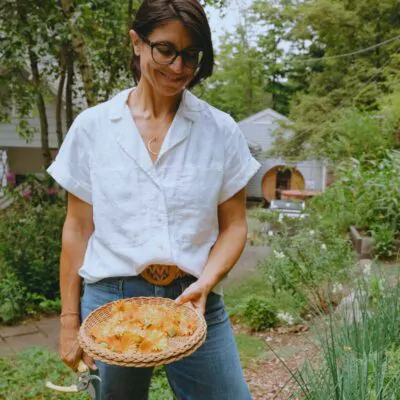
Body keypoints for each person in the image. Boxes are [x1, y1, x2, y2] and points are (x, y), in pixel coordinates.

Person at [47, 0, 260, 399]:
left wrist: (207, 282)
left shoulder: (221, 131)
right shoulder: (93, 128)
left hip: (194, 301)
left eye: (191, 55)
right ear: (137, 43)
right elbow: (77, 229)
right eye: (166, 50)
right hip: (111, 306)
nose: (179, 67)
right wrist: (68, 320)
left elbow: (234, 225)